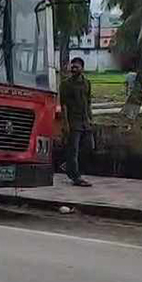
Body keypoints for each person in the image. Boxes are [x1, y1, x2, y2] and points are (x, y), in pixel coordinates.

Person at [59, 56, 94, 187]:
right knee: (73, 149)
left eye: (76, 67)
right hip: (73, 121)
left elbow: (89, 101)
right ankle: (76, 177)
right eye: (72, 66)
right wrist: (65, 123)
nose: (73, 69)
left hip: (85, 120)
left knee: (89, 146)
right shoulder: (65, 84)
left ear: (82, 69)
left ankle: (68, 165)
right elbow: (63, 106)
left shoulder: (87, 83)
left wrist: (90, 118)